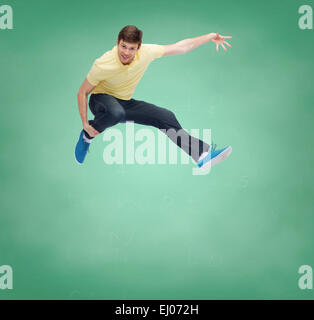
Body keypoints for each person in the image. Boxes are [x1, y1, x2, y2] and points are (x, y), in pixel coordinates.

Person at [75, 25, 232, 170]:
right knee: (116, 113)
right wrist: (85, 124)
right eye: (123, 46)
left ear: (139, 48)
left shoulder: (147, 52)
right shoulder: (103, 63)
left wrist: (211, 36)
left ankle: (201, 156)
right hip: (100, 100)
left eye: (132, 48)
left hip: (124, 102)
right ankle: (87, 136)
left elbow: (181, 47)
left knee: (165, 116)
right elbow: (82, 93)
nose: (126, 53)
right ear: (117, 42)